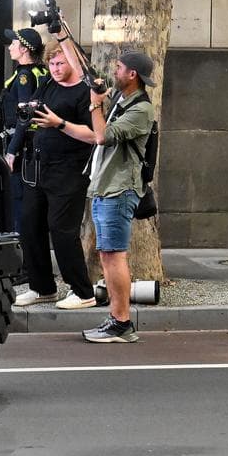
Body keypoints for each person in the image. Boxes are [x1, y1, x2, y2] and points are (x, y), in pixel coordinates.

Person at [78, 50, 156, 343]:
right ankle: (116, 319)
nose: (115, 70)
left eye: (119, 67)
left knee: (114, 256)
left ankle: (121, 322)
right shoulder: (124, 101)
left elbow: (102, 136)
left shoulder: (142, 110)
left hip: (120, 190)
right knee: (108, 255)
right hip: (106, 188)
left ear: (132, 74)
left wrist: (95, 106)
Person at [14, 41, 98, 309]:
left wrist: (59, 123)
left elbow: (95, 135)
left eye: (61, 63)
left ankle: (83, 291)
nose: (56, 68)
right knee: (29, 225)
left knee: (62, 231)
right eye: (51, 63)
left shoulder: (86, 92)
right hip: (39, 166)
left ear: (72, 62)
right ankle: (42, 287)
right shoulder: (48, 82)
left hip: (70, 169)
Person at [0, 28, 48, 233]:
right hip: (36, 147)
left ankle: (23, 256)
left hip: (23, 150)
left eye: (13, 43)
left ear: (24, 49)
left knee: (20, 203)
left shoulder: (24, 76)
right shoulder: (42, 72)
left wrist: (11, 151)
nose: (10, 47)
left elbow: (24, 119)